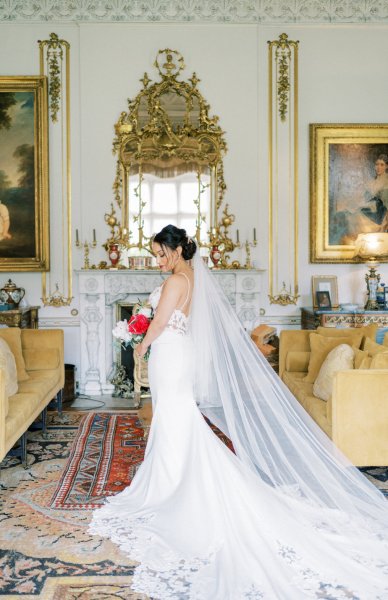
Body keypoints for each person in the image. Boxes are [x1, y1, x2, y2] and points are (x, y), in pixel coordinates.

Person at [89, 224, 388, 599]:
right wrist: (148, 334)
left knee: (174, 417)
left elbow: (162, 322)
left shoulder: (175, 282)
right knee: (178, 418)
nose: (158, 260)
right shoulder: (192, 277)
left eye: (161, 253)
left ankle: (172, 484)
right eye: (154, 254)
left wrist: (139, 347)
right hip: (180, 354)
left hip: (169, 355)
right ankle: (174, 476)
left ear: (177, 250)